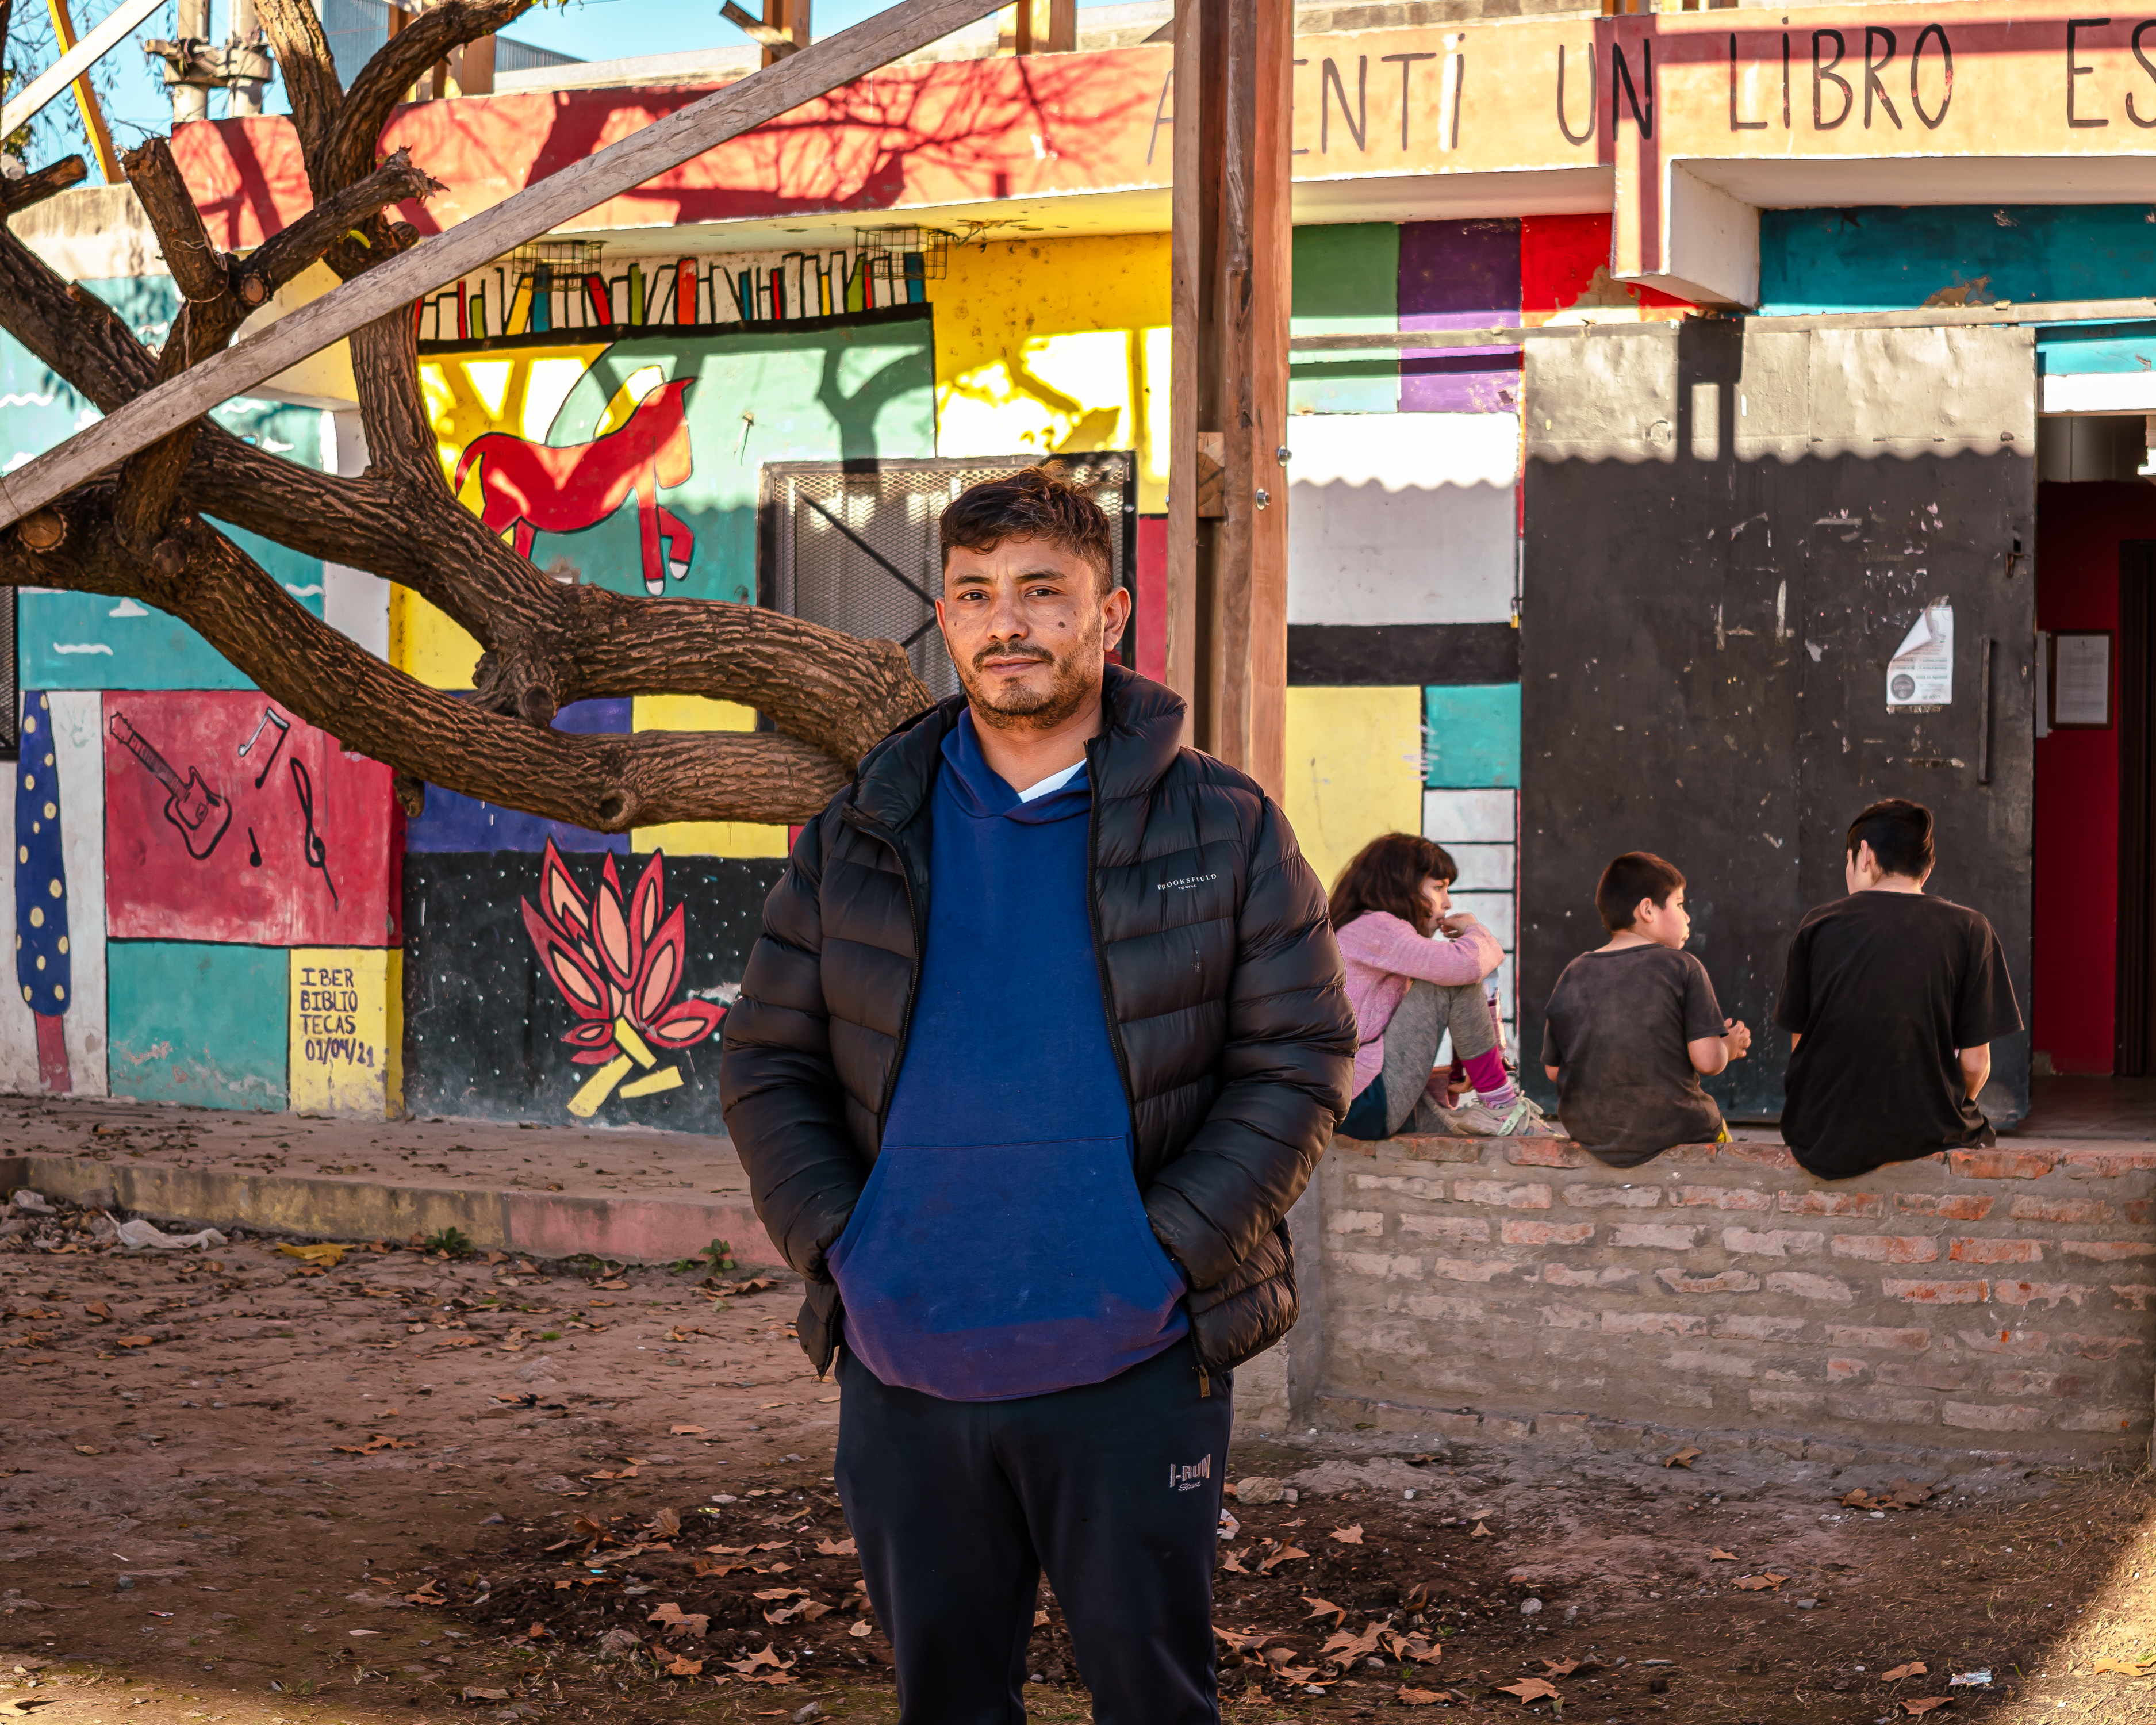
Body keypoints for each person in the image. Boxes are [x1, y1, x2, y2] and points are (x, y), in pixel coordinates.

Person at [718, 465, 1355, 1724]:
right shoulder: (863, 832)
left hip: (1133, 1360)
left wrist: (1163, 1252)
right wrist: (846, 1248)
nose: (1007, 622)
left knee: (1155, 1699)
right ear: (946, 621)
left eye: (1042, 593)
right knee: (947, 1703)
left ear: (1108, 616)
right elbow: (766, 1060)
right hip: (905, 1368)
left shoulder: (1221, 826)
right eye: (976, 595)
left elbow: (1300, 1059)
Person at [1775, 798, 2023, 1179]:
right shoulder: (1971, 929)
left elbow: (1801, 1050)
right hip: (1931, 1131)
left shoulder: (1817, 926)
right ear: (1926, 870)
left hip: (1822, 1135)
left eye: (1847, 861)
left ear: (1865, 855)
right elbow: (1976, 1065)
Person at [1331, 832, 1559, 1139]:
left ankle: (1496, 1101)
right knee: (1450, 981)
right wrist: (1474, 931)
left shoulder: (1361, 930)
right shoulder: (1375, 928)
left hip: (1354, 1102)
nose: (1448, 903)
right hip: (1360, 1106)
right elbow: (1466, 967)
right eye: (1438, 888)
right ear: (1401, 885)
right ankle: (1500, 1103)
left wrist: (1443, 1075)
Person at [1540, 851, 1751, 1166]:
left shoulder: (1573, 972)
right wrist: (1729, 1047)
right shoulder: (1683, 967)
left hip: (1590, 1132)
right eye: (1680, 904)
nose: (1688, 916)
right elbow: (1707, 1061)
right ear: (1648, 910)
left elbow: (1554, 1070)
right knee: (1727, 1151)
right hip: (1675, 1127)